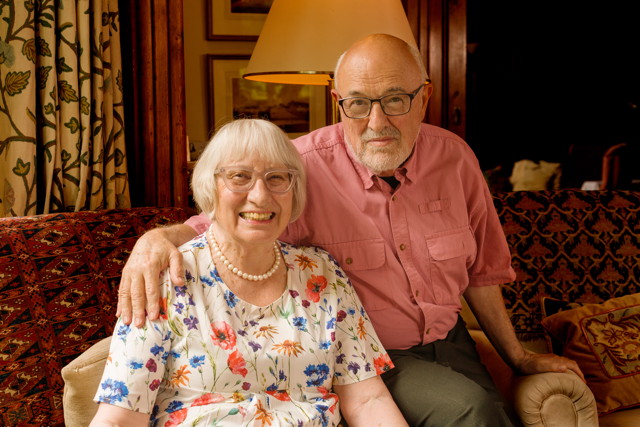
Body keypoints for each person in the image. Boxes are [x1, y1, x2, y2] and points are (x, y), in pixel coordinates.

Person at [116, 34, 585, 426]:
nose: (376, 122)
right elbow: (226, 221)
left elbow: (482, 273)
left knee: (494, 412)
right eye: (358, 104)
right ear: (338, 101)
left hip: (454, 341)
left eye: (395, 100)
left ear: (424, 96)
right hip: (377, 358)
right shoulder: (299, 169)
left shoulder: (455, 158)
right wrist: (154, 240)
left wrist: (518, 357)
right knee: (473, 412)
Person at [91, 119, 408, 426]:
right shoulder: (166, 277)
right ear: (210, 187)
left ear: (294, 190)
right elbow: (119, 418)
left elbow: (368, 401)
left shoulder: (321, 273)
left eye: (276, 178)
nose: (260, 195)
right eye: (240, 177)